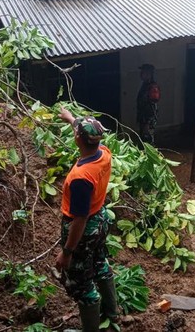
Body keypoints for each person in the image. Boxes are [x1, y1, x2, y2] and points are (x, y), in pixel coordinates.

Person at [54, 107, 118, 332]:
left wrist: (67, 252)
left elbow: (79, 219)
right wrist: (71, 118)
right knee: (100, 263)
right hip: (100, 218)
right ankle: (112, 313)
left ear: (78, 138)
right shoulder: (104, 152)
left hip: (85, 228)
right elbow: (83, 131)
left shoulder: (81, 178)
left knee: (81, 283)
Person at [136, 63, 159, 144]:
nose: (141, 74)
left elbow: (152, 105)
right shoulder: (145, 85)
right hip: (143, 118)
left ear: (149, 74)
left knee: (148, 141)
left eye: (143, 72)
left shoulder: (152, 87)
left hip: (148, 119)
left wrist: (147, 122)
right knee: (143, 139)